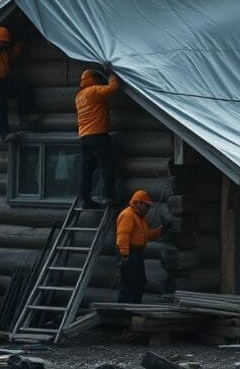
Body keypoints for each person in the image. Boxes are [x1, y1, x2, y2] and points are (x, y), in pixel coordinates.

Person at [75, 64, 120, 205]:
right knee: (106, 166)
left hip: (84, 136)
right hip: (98, 135)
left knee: (87, 169)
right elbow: (113, 88)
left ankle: (85, 199)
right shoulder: (94, 91)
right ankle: (108, 196)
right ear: (93, 79)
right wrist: (112, 74)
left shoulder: (79, 96)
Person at [115, 189, 167, 303]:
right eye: (146, 206)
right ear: (138, 203)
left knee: (139, 284)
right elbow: (123, 235)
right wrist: (124, 255)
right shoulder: (128, 215)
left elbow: (146, 236)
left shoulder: (140, 217)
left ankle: (134, 310)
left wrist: (161, 230)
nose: (148, 209)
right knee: (128, 285)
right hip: (129, 254)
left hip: (136, 254)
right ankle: (121, 313)